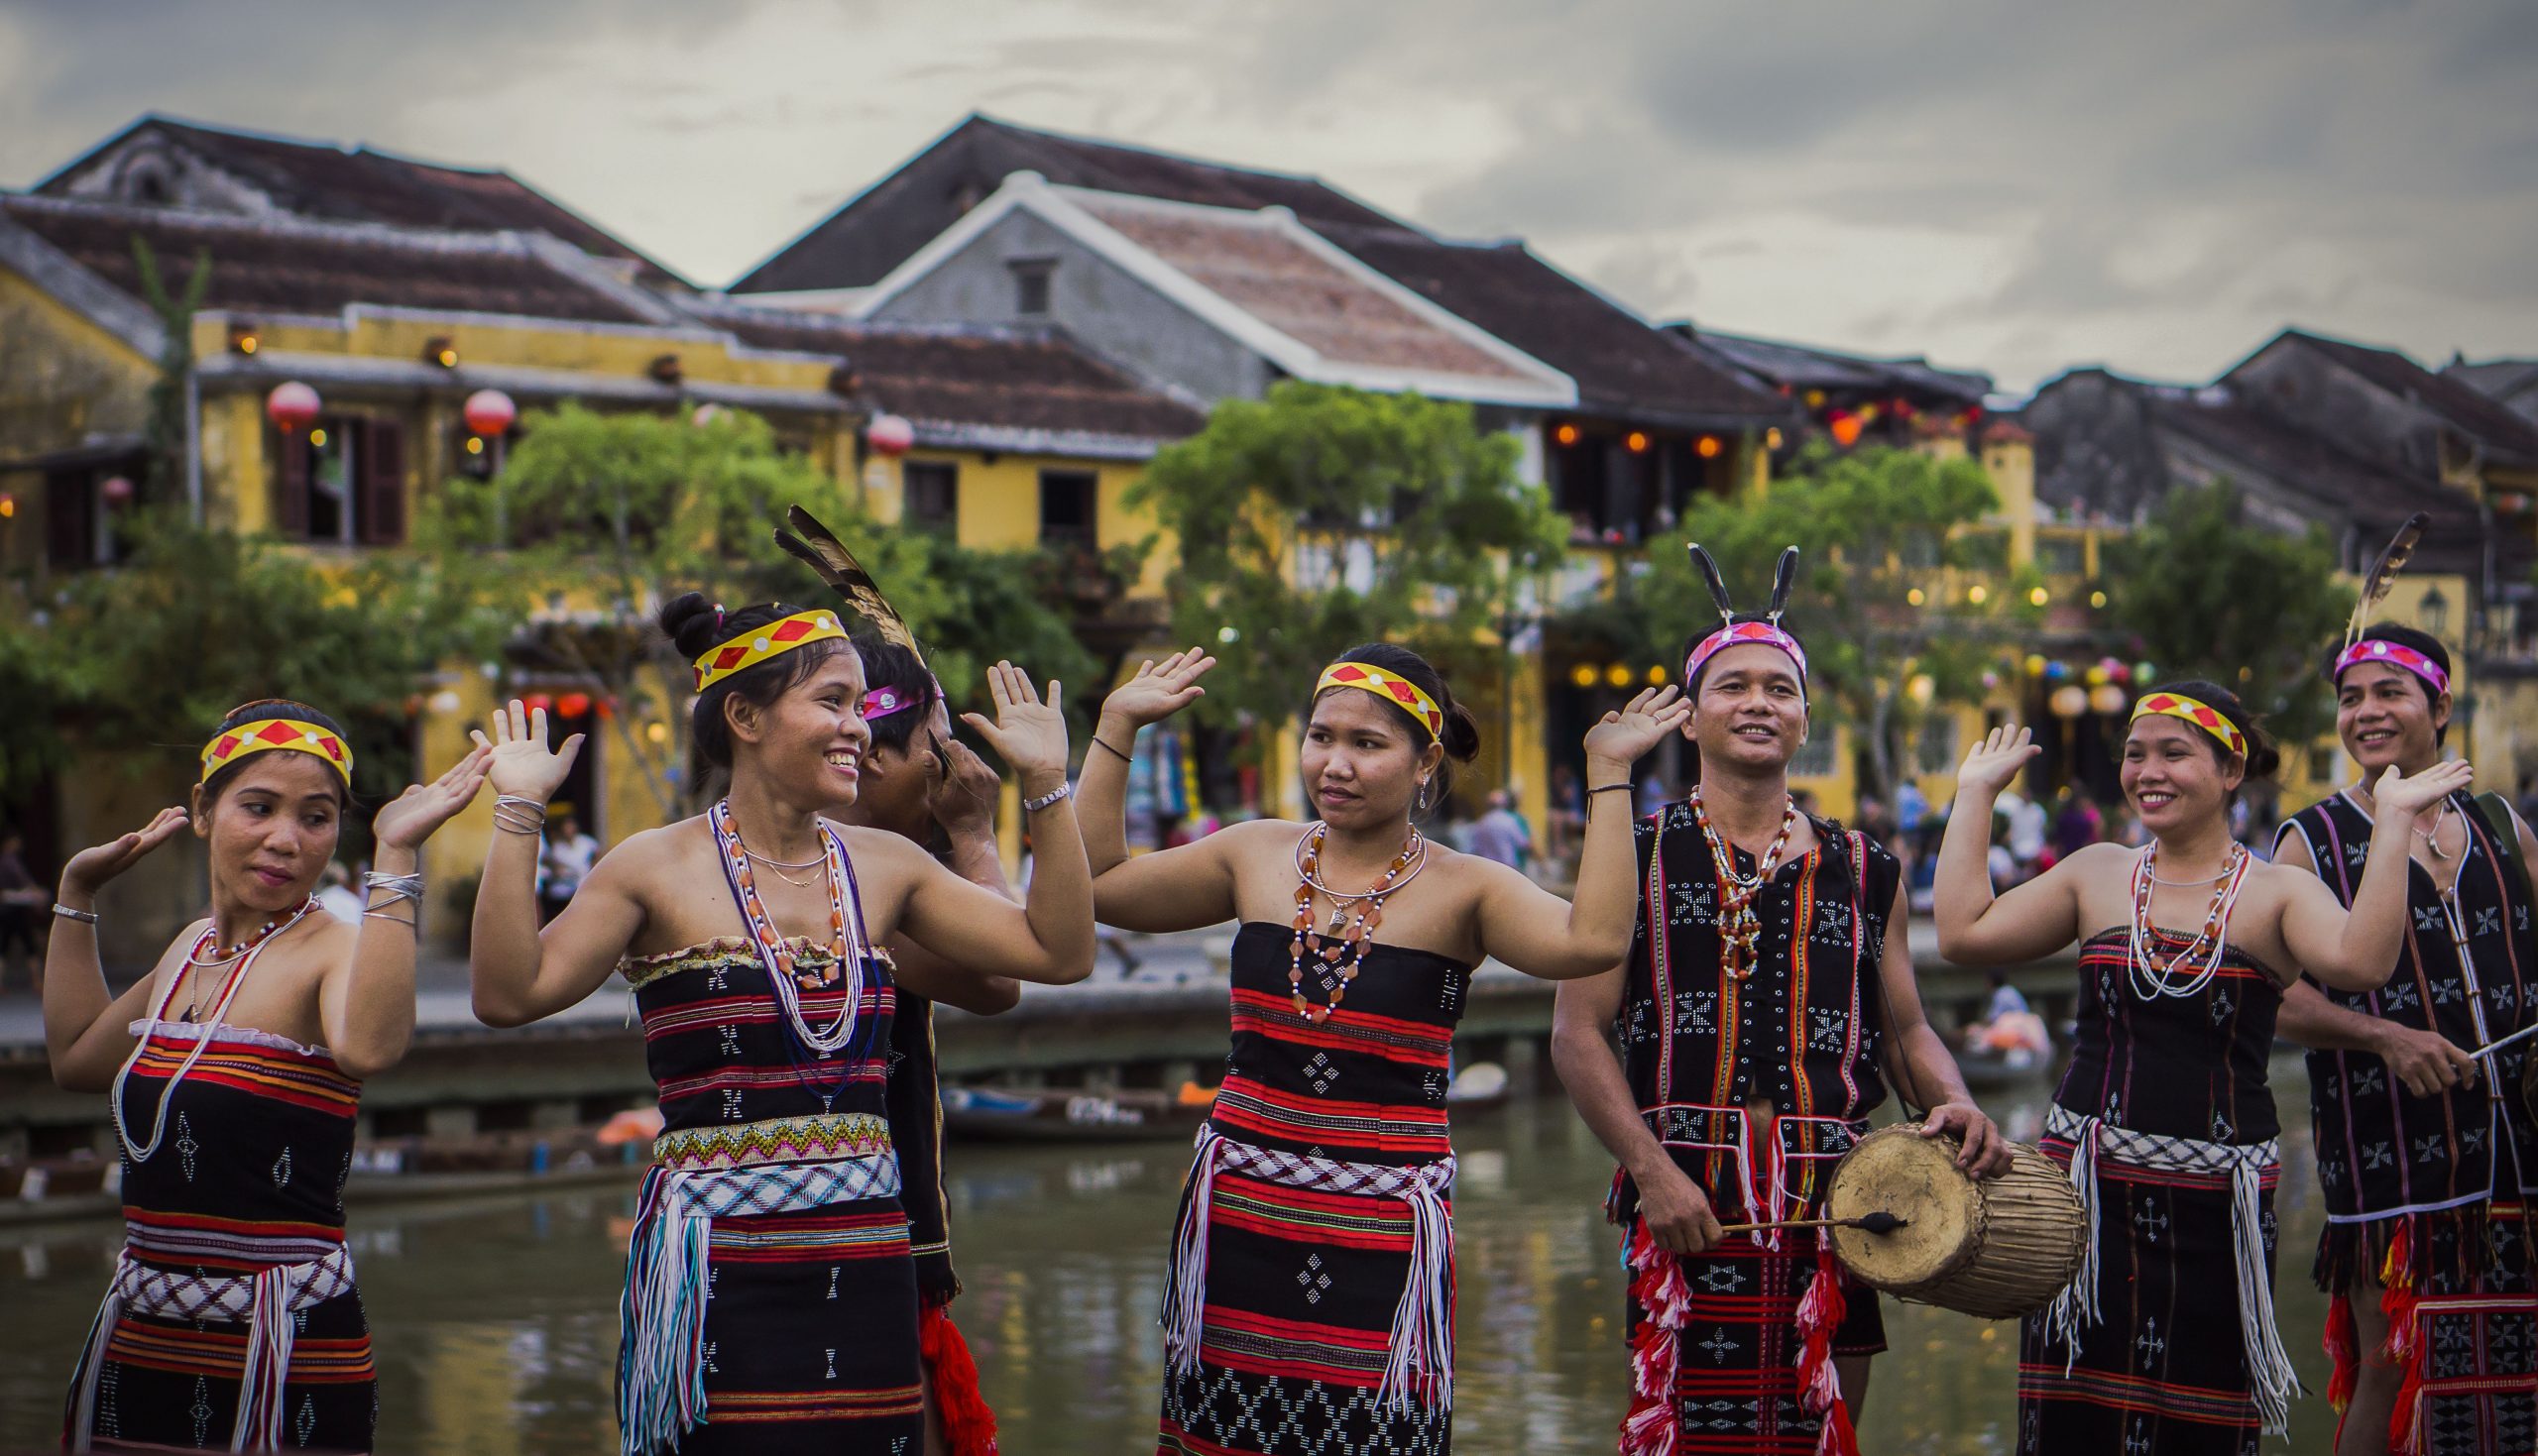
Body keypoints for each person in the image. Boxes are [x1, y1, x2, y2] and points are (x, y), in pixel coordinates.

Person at [467, 588, 1099, 1456]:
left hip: (867, 1270)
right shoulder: (652, 868)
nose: (856, 730)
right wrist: (518, 812)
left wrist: (1046, 786)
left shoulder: (884, 867)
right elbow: (509, 993)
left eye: (861, 706)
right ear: (745, 717)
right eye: (832, 703)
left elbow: (1057, 952)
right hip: (720, 1278)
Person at [1080, 641, 1687, 1454]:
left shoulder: (1467, 887)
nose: (1335, 763)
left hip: (1382, 1237)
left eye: (1367, 744)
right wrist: (1117, 727)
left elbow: (1595, 939)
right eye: (1322, 735)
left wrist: (1609, 773)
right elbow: (1095, 883)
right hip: (1242, 1224)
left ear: (1425, 760)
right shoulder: (1252, 853)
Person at [1551, 547, 2009, 1456]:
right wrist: (1650, 1171)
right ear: (1691, 713)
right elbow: (1577, 1031)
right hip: (1687, 1192)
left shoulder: (1867, 865)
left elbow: (1906, 1028)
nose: (1758, 702)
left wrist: (1951, 1098)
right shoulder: (1635, 854)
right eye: (1732, 685)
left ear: (1804, 718)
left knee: (1824, 1432)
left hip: (1840, 1201)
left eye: (1779, 688)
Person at [1936, 685, 2467, 1454]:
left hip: (2217, 1209)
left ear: (2229, 770)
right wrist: (1976, 795)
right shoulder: (2097, 873)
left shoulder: (2277, 891)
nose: (2148, 770)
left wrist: (2389, 824)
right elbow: (1962, 933)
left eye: (2174, 753)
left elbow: (2363, 959)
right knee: (2069, 1427)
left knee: (2202, 1426)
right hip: (2085, 1206)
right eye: (2135, 752)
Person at [46, 700, 488, 1451]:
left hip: (282, 1342)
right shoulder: (191, 947)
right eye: (258, 807)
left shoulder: (333, 947)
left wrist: (396, 857)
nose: (285, 839)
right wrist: (76, 895)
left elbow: (371, 1048)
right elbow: (78, 1059)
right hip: (145, 1328)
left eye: (316, 818)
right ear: (203, 809)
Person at [2270, 623, 2537, 1456]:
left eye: (2389, 692)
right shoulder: (2308, 841)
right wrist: (2384, 1035)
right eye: (2351, 698)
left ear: (2441, 704)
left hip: (2519, 1151)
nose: (2366, 712)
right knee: (2391, 1356)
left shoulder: (2507, 831)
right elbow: (2274, 997)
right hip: (2387, 1146)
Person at [825, 635, 1017, 1456]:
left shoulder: (880, 870)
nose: (950, 765)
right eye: (937, 745)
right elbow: (1005, 974)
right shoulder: (858, 881)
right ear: (871, 756)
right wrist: (975, 831)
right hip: (848, 1246)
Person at [2, 830, 50, 990]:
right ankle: (37, 981)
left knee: (4, 947)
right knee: (29, 946)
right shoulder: (10, 862)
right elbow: (24, 881)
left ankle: (34, 981)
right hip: (15, 909)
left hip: (8, 910)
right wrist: (36, 894)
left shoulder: (7, 861)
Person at [539, 810, 601, 923]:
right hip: (561, 891)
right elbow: (549, 863)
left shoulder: (586, 843)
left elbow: (597, 856)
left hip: (581, 886)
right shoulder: (557, 846)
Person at [1463, 788, 1531, 869]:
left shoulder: (1481, 823)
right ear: (1504, 804)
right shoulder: (1509, 821)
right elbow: (1522, 843)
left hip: (1487, 868)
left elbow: (1474, 848)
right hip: (1508, 868)